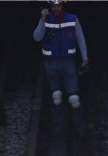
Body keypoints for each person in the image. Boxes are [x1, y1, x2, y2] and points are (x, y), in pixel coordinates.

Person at [33, 0, 89, 135]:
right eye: (53, 6)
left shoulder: (72, 19)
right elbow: (37, 37)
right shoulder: (46, 20)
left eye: (58, 5)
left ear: (62, 6)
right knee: (56, 96)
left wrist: (85, 58)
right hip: (51, 63)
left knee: (74, 99)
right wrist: (42, 20)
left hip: (67, 62)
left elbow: (80, 39)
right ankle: (58, 127)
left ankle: (79, 128)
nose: (56, 8)